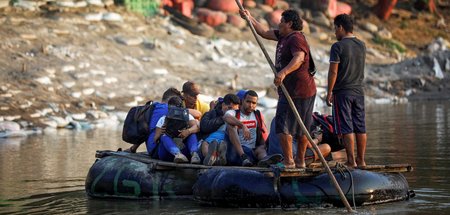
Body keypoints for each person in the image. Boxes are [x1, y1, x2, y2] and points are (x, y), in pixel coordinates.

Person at [239, 9, 316, 168]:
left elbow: (299, 58)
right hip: (289, 91)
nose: (278, 23)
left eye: (281, 21)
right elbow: (264, 32)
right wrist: (249, 17)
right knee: (283, 126)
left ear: (289, 23)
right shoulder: (283, 36)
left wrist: (283, 72)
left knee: (300, 128)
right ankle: (291, 161)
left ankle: (296, 162)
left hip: (301, 90)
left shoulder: (296, 38)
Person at [326, 14, 367, 168]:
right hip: (359, 91)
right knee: (360, 126)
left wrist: (329, 91)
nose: (335, 33)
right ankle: (361, 160)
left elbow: (333, 72)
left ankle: (351, 161)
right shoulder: (361, 45)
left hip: (342, 92)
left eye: (335, 29)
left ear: (340, 27)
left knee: (346, 126)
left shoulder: (337, 47)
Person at [223, 90, 282, 167]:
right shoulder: (233, 113)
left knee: (261, 149)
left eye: (254, 103)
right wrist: (243, 126)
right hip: (236, 153)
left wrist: (264, 145)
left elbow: (261, 133)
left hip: (252, 151)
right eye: (248, 102)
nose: (251, 105)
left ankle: (266, 160)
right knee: (231, 126)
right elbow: (226, 117)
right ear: (242, 101)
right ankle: (244, 158)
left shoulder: (257, 114)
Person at [124, 87, 183, 154]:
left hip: (151, 149)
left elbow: (144, 130)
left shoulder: (153, 107)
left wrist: (133, 148)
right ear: (171, 100)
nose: (179, 104)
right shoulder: (169, 108)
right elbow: (197, 113)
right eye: (178, 100)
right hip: (159, 149)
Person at [154, 96, 201, 164]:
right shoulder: (163, 119)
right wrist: (161, 131)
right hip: (167, 153)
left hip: (184, 152)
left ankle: (194, 155)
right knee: (163, 136)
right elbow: (155, 139)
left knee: (192, 134)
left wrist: (188, 131)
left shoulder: (187, 116)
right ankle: (177, 154)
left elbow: (197, 127)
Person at [199, 94, 240, 166]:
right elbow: (204, 127)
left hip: (226, 140)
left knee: (222, 145)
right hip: (210, 138)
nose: (231, 112)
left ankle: (219, 158)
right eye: (229, 108)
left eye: (234, 110)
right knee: (205, 144)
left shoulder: (239, 116)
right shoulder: (212, 113)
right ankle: (210, 159)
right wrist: (222, 118)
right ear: (223, 105)